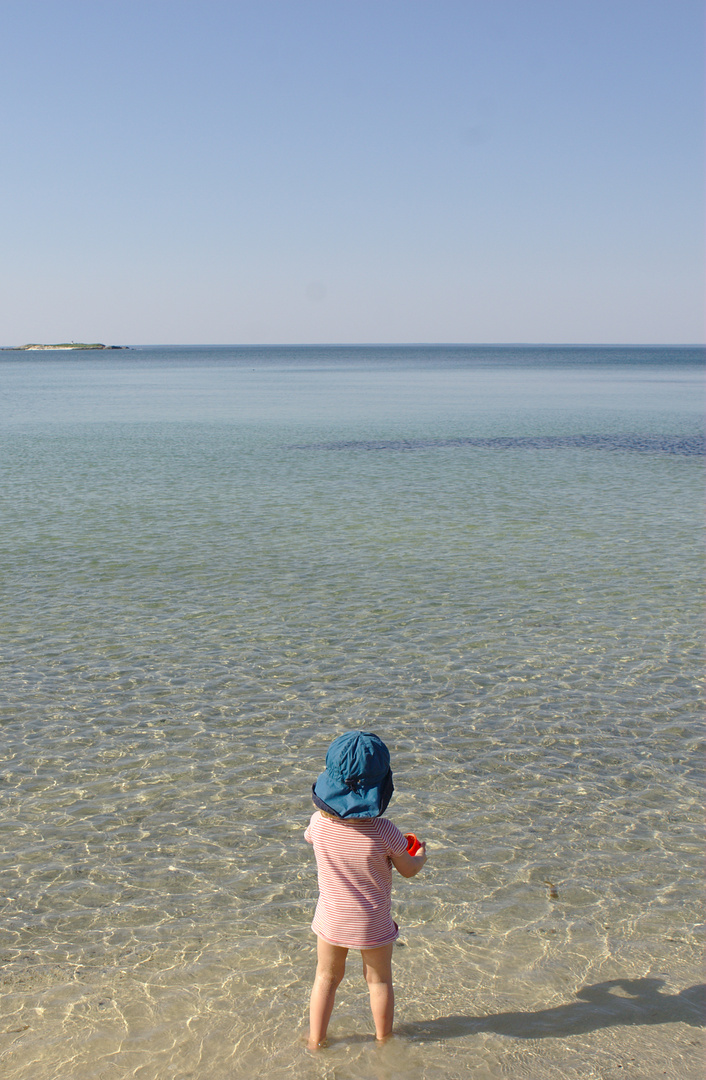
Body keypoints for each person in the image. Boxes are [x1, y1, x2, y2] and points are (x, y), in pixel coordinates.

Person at [304, 730, 427, 1050]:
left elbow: (314, 839)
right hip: (371, 922)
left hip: (331, 919)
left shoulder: (318, 823)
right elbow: (407, 870)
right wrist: (419, 856)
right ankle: (384, 1042)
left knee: (326, 979)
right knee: (379, 981)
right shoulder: (385, 831)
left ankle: (315, 1041)